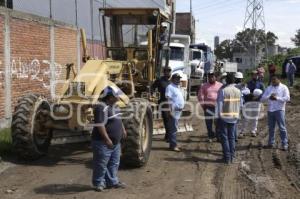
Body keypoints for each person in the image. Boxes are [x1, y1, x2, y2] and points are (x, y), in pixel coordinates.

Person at [91, 87, 127, 192]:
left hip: (116, 143)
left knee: (114, 163)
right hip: (102, 142)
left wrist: (123, 130)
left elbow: (119, 119)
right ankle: (99, 183)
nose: (118, 97)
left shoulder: (115, 106)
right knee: (101, 164)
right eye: (116, 95)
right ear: (110, 97)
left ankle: (112, 181)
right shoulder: (101, 107)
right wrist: (107, 139)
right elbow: (100, 125)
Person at [217, 73, 242, 164]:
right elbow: (240, 105)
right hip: (234, 116)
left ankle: (227, 158)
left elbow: (219, 104)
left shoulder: (223, 90)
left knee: (224, 137)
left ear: (226, 80)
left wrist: (218, 116)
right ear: (234, 80)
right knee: (231, 137)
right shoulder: (238, 91)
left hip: (224, 116)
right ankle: (232, 157)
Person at [260, 75, 290, 150]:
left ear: (278, 80)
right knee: (271, 128)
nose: (273, 82)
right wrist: (269, 97)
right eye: (272, 80)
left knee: (282, 128)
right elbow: (262, 99)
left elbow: (287, 98)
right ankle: (271, 143)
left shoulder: (284, 87)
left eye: (274, 80)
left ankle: (284, 144)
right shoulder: (269, 88)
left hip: (279, 110)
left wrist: (277, 98)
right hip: (270, 110)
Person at [198, 72, 223, 142]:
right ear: (208, 78)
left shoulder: (220, 85)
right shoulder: (204, 86)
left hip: (218, 107)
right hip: (208, 107)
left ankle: (218, 136)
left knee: (218, 122)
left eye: (212, 76)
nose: (211, 78)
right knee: (208, 123)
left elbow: (223, 95)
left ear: (215, 77)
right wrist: (203, 105)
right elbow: (200, 96)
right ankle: (210, 136)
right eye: (209, 77)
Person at [165, 73, 185, 152]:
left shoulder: (177, 87)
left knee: (174, 128)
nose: (178, 80)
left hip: (177, 111)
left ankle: (173, 144)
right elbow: (168, 99)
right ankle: (173, 145)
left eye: (179, 78)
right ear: (173, 79)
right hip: (173, 111)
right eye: (177, 78)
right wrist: (169, 110)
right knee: (173, 129)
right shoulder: (170, 87)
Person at [152, 67, 172, 141]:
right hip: (163, 103)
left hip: (171, 103)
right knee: (167, 119)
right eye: (167, 71)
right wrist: (153, 95)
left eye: (169, 71)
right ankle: (169, 137)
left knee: (170, 120)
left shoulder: (171, 81)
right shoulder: (160, 80)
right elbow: (152, 87)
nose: (168, 73)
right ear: (164, 72)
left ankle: (167, 136)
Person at [246, 70, 265, 137]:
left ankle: (253, 130)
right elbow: (246, 91)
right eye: (253, 74)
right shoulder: (248, 83)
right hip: (249, 101)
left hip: (257, 102)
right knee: (247, 116)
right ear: (252, 75)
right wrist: (251, 95)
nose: (255, 75)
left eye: (256, 74)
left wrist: (257, 97)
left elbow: (263, 93)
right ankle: (243, 130)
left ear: (258, 75)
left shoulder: (261, 83)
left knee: (255, 117)